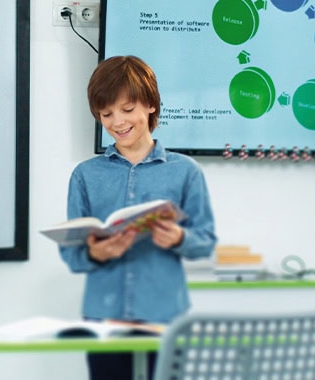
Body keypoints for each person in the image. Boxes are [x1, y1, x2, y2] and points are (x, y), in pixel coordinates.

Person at [59, 55, 217, 380]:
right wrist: (95, 253)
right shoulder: (85, 176)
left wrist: (179, 238)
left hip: (165, 316)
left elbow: (205, 242)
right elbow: (73, 257)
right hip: (104, 319)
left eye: (127, 109)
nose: (117, 122)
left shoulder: (185, 172)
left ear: (150, 105)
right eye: (106, 114)